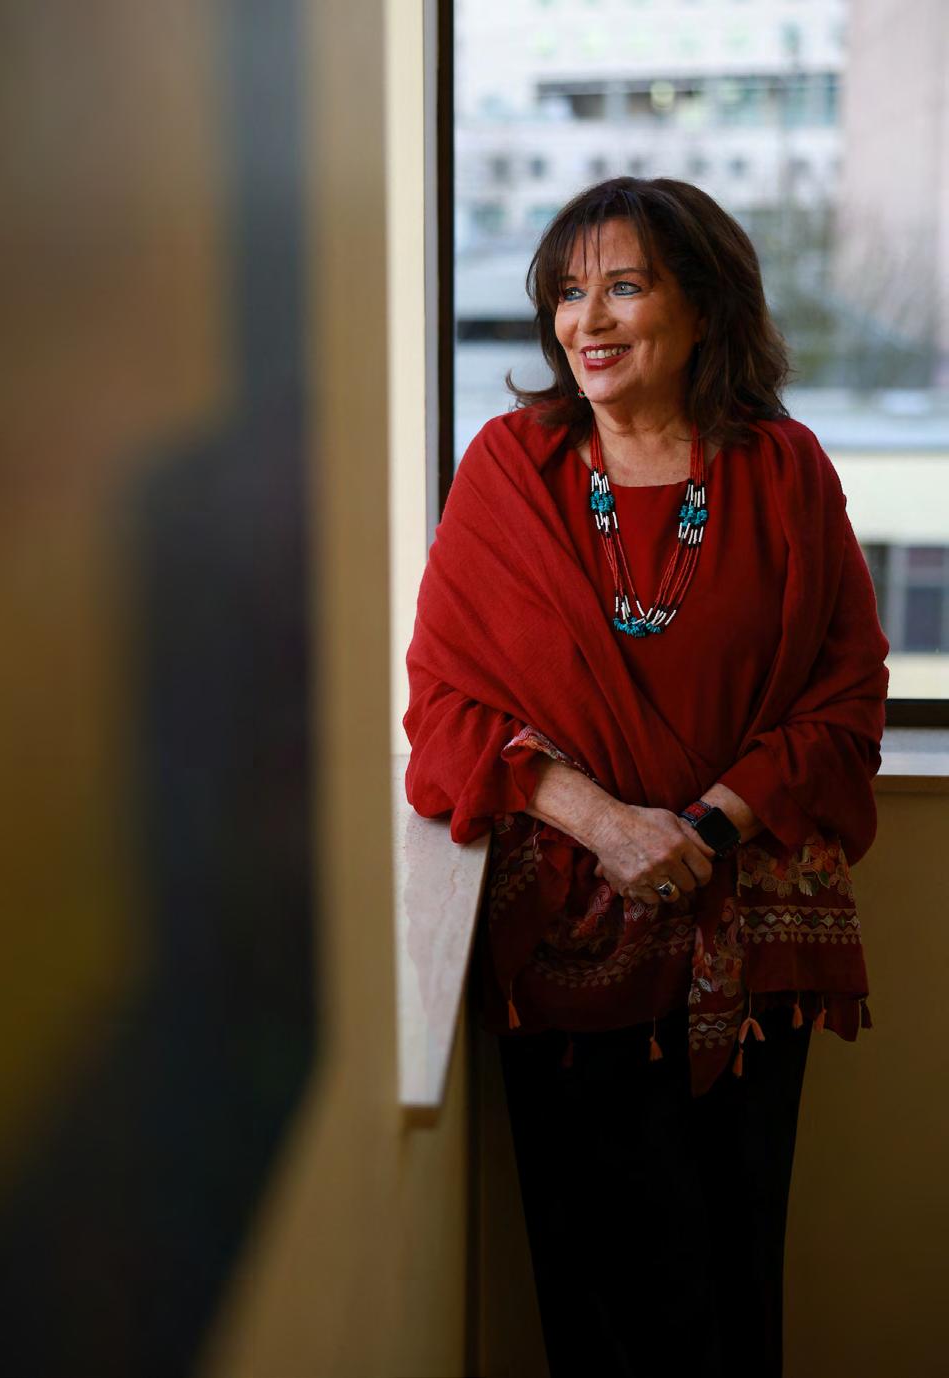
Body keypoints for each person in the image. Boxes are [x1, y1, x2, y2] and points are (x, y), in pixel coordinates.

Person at [403, 177, 889, 1378]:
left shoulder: (783, 470)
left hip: (753, 944)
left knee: (730, 1281)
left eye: (624, 286)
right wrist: (608, 824)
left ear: (704, 307)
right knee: (611, 1301)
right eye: (568, 293)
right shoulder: (509, 469)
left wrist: (708, 826)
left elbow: (845, 697)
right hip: (569, 951)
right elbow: (445, 708)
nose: (589, 320)